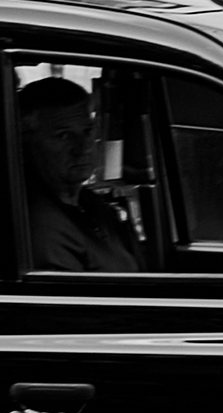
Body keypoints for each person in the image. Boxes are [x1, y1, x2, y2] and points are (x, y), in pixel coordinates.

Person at [17, 81, 142, 271]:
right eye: (64, 136)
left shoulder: (88, 203)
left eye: (87, 131)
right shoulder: (42, 226)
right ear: (27, 139)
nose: (83, 148)